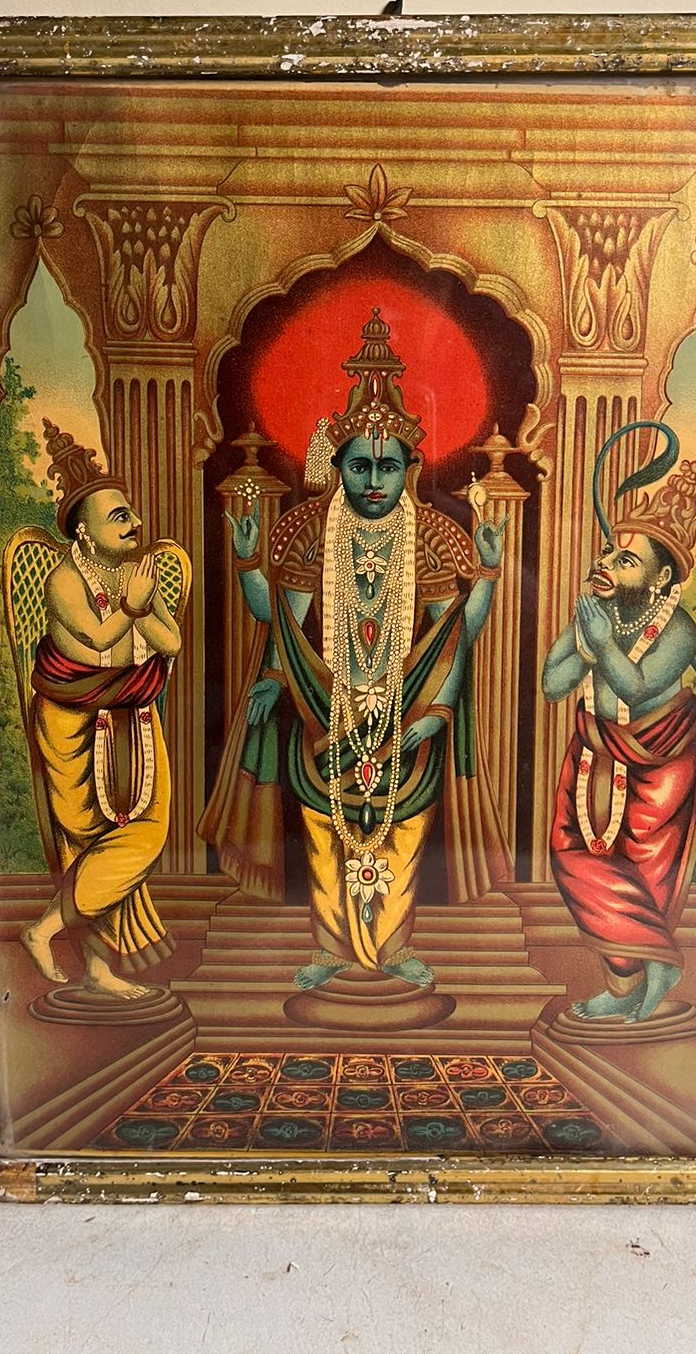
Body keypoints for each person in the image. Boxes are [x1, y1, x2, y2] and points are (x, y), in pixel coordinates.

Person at [208, 309, 511, 992]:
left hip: (407, 712)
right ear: (337, 467)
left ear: (410, 469)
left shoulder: (433, 536)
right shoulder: (310, 532)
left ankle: (393, 947)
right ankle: (332, 948)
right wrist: (251, 564)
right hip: (326, 705)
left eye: (388, 467)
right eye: (360, 466)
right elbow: (279, 623)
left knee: (402, 831)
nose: (375, 479)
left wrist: (488, 576)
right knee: (324, 830)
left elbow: (456, 634)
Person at [542, 425, 696, 1024]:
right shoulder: (596, 611)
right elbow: (552, 684)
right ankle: (646, 969)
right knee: (571, 855)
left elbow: (637, 687)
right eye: (607, 553)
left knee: (642, 869)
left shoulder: (679, 629)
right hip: (594, 748)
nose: (606, 564)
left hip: (660, 758)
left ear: (661, 578)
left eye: (626, 560)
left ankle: (634, 983)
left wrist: (599, 645)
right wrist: (586, 641)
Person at [18, 421, 183, 1000]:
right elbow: (92, 641)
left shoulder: (133, 575)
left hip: (133, 712)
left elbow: (171, 642)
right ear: (84, 532)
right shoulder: (65, 579)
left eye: (131, 513)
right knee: (86, 842)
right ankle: (86, 959)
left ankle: (53, 936)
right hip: (73, 723)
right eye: (119, 517)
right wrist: (133, 609)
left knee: (146, 832)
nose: (134, 523)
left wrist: (142, 607)